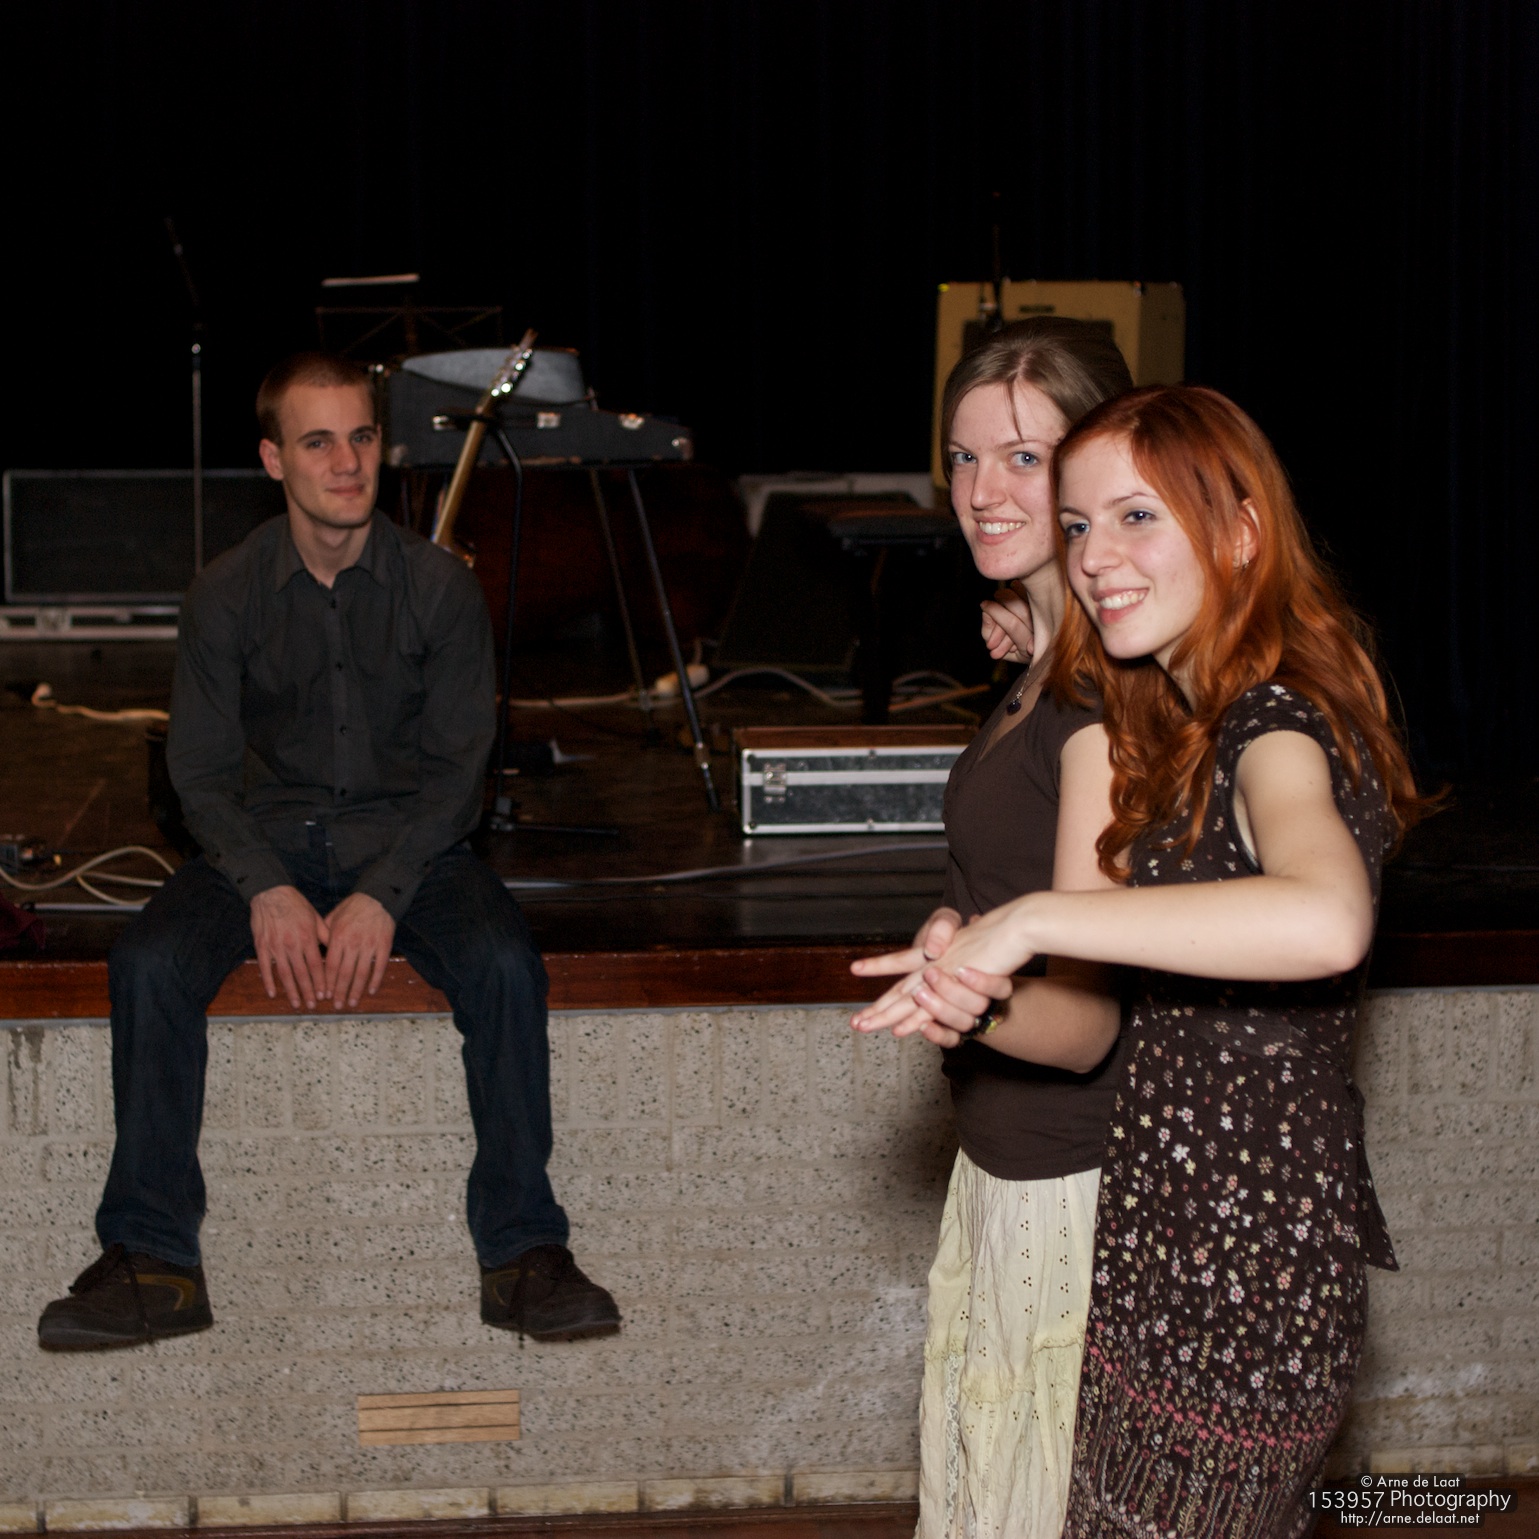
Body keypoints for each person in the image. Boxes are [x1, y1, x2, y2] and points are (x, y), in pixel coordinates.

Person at [855, 384, 1425, 1538]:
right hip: (1160, 1259)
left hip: (1244, 1291)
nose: (1095, 554)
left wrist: (1033, 921)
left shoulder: (1273, 722)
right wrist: (978, 989)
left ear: (1242, 531)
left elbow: (1326, 919)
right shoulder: (1194, 723)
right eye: (1077, 525)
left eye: (1136, 518)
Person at [38, 353, 619, 1351]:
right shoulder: (225, 593)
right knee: (147, 964)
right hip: (262, 844)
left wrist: (382, 893)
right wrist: (264, 887)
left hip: (413, 846)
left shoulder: (439, 588)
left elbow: (458, 775)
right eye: (318, 441)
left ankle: (524, 1252)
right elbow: (199, 774)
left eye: (360, 437)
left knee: (503, 965)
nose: (346, 462)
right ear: (274, 460)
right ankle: (155, 1264)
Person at [850, 318, 1132, 1538]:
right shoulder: (1046, 660)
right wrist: (965, 930)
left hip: (1068, 1189)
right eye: (963, 459)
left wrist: (963, 983)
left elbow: (1080, 1026)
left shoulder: (1097, 702)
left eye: (1024, 458)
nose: (981, 491)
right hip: (1005, 1165)